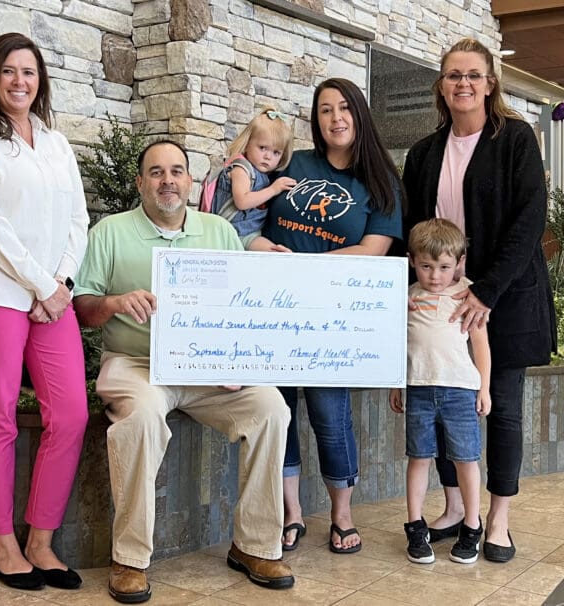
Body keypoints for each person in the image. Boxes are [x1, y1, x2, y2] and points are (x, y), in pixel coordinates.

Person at [73, 140, 294, 604]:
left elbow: (241, 307)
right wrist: (115, 303)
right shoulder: (110, 231)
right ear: (140, 183)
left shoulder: (219, 231)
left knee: (271, 408)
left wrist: (238, 358)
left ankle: (254, 546)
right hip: (136, 364)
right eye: (156, 172)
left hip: (207, 368)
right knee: (142, 418)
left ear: (191, 182)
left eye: (177, 171)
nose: (167, 180)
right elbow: (83, 307)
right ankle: (129, 559)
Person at [0, 33, 89, 590]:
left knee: (71, 414)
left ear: (40, 81)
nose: (20, 81)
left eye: (29, 72)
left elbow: (77, 218)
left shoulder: (55, 142)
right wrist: (41, 284)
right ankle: (3, 542)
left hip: (51, 297)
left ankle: (40, 541)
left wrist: (63, 282)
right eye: (8, 71)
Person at [402, 37, 555, 563]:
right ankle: (453, 508)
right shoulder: (424, 153)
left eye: (472, 75)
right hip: (440, 303)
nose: (462, 83)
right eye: (453, 75)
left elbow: (529, 220)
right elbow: (410, 230)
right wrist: (404, 292)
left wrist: (485, 292)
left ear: (490, 83)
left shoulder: (515, 138)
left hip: (503, 298)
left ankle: (498, 520)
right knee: (447, 407)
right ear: (441, 86)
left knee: (502, 409)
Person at [262, 77, 403, 553]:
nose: (335, 118)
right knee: (277, 411)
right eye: (325, 110)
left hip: (332, 316)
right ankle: (291, 512)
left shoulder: (380, 181)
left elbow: (374, 250)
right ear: (315, 119)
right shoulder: (293, 163)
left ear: (359, 114)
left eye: (343, 108)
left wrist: (308, 266)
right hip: (272, 308)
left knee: (330, 413)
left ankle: (342, 514)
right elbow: (251, 214)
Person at [390, 218, 491, 565]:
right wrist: (396, 383)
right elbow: (397, 343)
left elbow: (481, 345)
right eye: (426, 266)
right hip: (418, 389)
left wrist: (484, 388)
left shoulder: (467, 294)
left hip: (460, 391)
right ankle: (415, 527)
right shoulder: (406, 297)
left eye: (444, 267)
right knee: (418, 457)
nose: (435, 275)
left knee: (466, 459)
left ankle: (472, 525)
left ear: (459, 263)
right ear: (411, 261)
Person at [209, 107, 296, 251]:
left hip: (250, 233)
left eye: (276, 152)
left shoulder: (264, 174)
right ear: (247, 144)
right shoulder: (241, 169)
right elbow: (242, 202)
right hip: (229, 232)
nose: (268, 156)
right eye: (262, 148)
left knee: (273, 252)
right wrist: (273, 189)